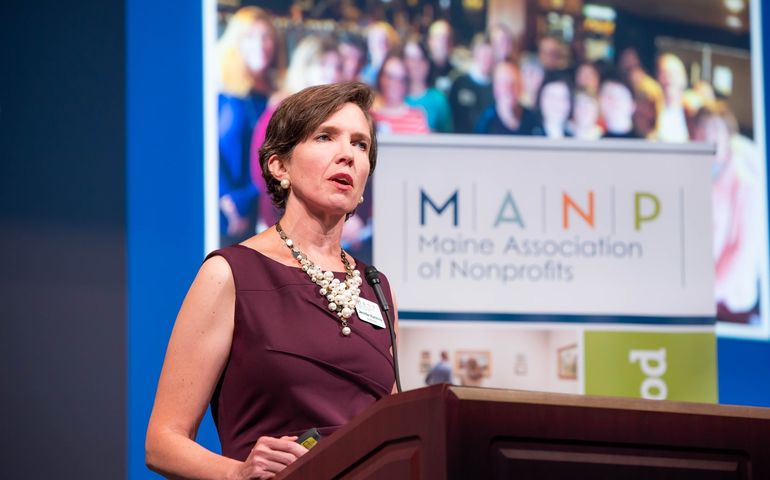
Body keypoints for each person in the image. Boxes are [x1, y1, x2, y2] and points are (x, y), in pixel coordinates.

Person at [146, 82, 398, 479]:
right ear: (279, 166)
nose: (347, 154)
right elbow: (162, 442)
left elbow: (396, 434)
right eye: (325, 137)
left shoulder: (377, 287)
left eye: (360, 144)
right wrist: (237, 473)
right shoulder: (231, 273)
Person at [249, 35, 343, 232]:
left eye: (337, 67)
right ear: (304, 67)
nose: (332, 73)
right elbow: (262, 174)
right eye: (323, 64)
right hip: (283, 227)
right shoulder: (281, 112)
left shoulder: (343, 116)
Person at [693, 102, 763, 324]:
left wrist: (711, 292)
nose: (708, 135)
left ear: (727, 134)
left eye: (715, 128)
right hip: (699, 294)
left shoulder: (745, 182)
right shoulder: (693, 175)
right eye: (703, 128)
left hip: (730, 300)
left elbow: (743, 247)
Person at [217, 7, 279, 245]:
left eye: (266, 37)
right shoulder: (222, 93)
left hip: (267, 207)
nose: (260, 45)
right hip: (229, 211)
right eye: (250, 37)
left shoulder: (279, 95)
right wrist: (228, 201)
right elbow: (210, 154)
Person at [371, 51, 430, 134]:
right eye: (389, 77)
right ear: (380, 78)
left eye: (399, 79)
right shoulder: (367, 114)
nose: (393, 84)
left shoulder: (417, 117)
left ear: (406, 83)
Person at [404, 38, 453, 133]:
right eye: (409, 59)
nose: (413, 65)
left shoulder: (438, 100)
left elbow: (448, 135)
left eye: (419, 59)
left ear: (427, 64)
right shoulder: (395, 96)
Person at [448, 33, 495, 133]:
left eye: (489, 56)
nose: (486, 59)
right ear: (475, 53)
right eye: (483, 54)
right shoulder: (460, 83)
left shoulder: (496, 87)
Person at [475, 61, 538, 136]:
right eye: (504, 83)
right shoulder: (485, 122)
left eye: (514, 83)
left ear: (521, 87)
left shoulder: (534, 120)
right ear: (495, 88)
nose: (509, 89)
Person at [656, 53, 690, 142]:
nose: (669, 78)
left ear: (684, 79)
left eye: (674, 73)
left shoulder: (691, 111)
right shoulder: (650, 111)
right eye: (664, 73)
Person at [532, 72, 573, 138]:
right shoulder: (530, 135)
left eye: (563, 98)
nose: (557, 104)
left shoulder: (573, 137)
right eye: (552, 97)